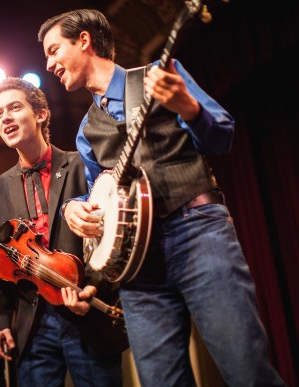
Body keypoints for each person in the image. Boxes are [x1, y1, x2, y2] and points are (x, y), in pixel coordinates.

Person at [37, 9, 285, 387]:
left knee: (246, 369)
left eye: (54, 50)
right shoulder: (86, 131)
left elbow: (222, 136)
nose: (50, 63)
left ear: (84, 41)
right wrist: (77, 210)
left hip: (198, 233)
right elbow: (100, 198)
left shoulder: (160, 77)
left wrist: (187, 105)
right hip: (138, 268)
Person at [0, 77, 127, 387]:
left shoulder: (81, 165)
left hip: (87, 315)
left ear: (40, 114)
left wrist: (94, 289)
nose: (5, 117)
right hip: (32, 325)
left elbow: (112, 237)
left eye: (14, 108)